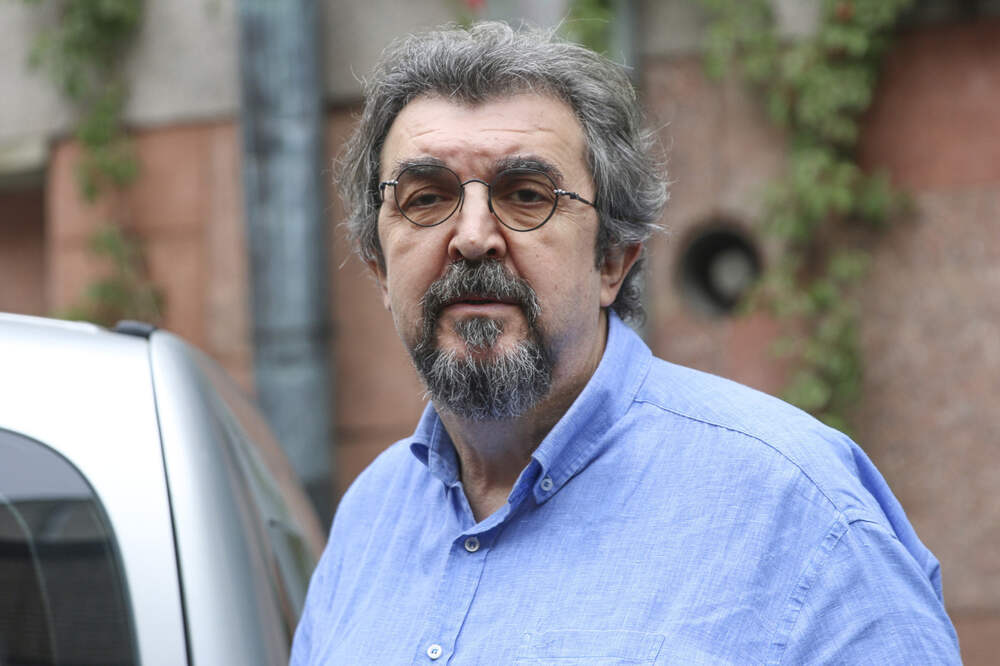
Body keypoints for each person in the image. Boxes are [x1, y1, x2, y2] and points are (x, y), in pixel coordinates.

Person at [291, 21, 960, 664]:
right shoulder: (369, 521)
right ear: (379, 269)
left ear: (612, 260)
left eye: (526, 195)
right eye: (425, 198)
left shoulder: (799, 506)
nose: (471, 235)